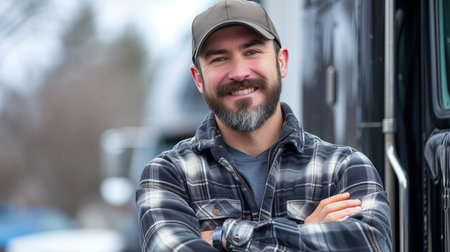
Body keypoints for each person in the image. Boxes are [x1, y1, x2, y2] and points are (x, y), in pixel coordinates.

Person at [136, 0, 392, 251]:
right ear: (198, 79)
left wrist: (223, 237)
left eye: (252, 52)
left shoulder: (344, 167)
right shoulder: (168, 175)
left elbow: (371, 242)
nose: (239, 72)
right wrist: (305, 230)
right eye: (219, 59)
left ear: (281, 62)